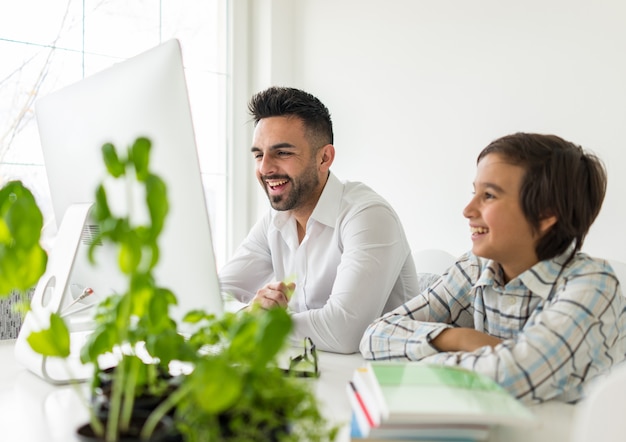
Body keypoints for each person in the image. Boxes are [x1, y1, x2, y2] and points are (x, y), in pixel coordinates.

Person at [360, 132, 626, 404]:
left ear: (546, 214)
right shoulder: (477, 267)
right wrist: (461, 338)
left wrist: (421, 356)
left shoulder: (593, 285)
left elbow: (507, 378)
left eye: (488, 195)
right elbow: (375, 336)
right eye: (474, 192)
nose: (467, 209)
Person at [219, 86, 418, 354]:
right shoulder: (275, 220)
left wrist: (265, 324)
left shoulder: (368, 215)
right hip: (314, 374)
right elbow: (215, 296)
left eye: (283, 153)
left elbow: (343, 332)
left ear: (324, 158)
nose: (265, 168)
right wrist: (249, 312)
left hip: (379, 383)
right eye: (258, 155)